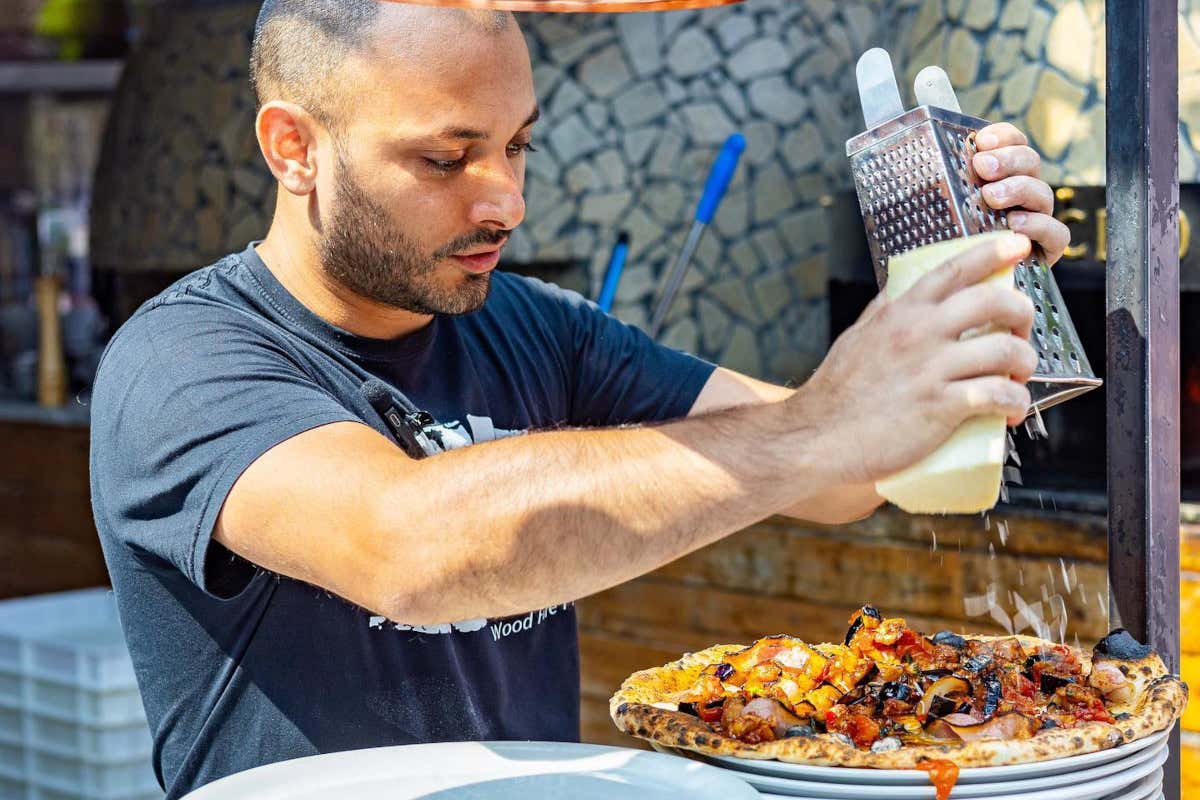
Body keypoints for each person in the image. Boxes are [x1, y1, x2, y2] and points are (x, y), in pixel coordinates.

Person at [88, 1, 1072, 797]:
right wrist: (827, 420)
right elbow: (408, 548)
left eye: (517, 146)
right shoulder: (180, 361)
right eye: (446, 159)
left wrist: (956, 288)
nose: (505, 201)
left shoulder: (537, 325)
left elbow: (842, 476)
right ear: (294, 148)